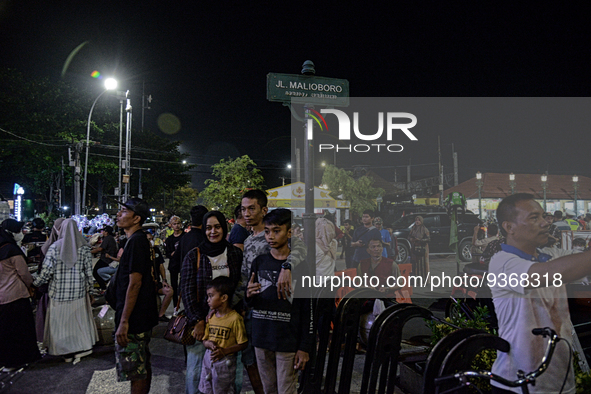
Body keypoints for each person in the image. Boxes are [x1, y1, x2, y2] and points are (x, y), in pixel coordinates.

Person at [488, 193, 591, 393]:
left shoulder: (550, 255)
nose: (545, 223)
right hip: (516, 385)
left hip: (560, 382)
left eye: (544, 216)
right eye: (534, 218)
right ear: (509, 227)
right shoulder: (502, 262)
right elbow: (551, 272)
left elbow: (578, 264)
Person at [239, 190, 307, 394]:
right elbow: (247, 278)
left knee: (285, 382)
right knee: (261, 371)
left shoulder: (288, 241)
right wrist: (245, 299)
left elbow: (301, 251)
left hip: (285, 323)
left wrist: (287, 267)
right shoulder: (250, 240)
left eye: (252, 208)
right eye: (243, 209)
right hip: (258, 316)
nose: (247, 213)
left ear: (263, 209)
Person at [180, 210, 243, 394]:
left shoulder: (234, 254)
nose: (212, 232)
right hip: (201, 326)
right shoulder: (194, 256)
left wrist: (239, 311)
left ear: (224, 228)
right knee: (196, 372)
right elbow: (187, 291)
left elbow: (240, 285)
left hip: (228, 326)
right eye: (208, 228)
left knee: (229, 374)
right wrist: (198, 320)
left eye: (217, 227)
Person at [33, 219, 98, 362]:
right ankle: (82, 348)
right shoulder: (85, 248)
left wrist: (34, 283)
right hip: (79, 293)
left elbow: (46, 272)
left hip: (58, 294)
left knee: (61, 325)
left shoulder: (54, 247)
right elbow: (88, 273)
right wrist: (91, 292)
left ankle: (65, 352)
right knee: (77, 323)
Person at [113, 198, 159, 393]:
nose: (118, 214)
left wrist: (124, 321)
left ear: (136, 218)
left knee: (136, 370)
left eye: (124, 211)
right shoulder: (138, 240)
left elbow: (135, 283)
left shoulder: (136, 242)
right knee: (141, 365)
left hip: (134, 318)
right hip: (140, 315)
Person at [0, 219, 40, 371]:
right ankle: (18, 360)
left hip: (2, 297)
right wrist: (32, 285)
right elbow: (24, 273)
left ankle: (6, 361)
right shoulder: (11, 249)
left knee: (5, 331)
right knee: (20, 331)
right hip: (16, 295)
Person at [199, 276, 248, 394]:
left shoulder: (235, 319)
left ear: (224, 298)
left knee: (223, 390)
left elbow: (243, 343)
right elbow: (204, 340)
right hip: (208, 360)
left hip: (225, 363)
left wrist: (225, 351)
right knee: (206, 388)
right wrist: (208, 343)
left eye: (211, 296)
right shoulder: (211, 317)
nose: (208, 300)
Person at [146, 231, 173, 322]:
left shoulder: (156, 250)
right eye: (148, 239)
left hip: (156, 283)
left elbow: (161, 266)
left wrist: (164, 280)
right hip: (146, 284)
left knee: (169, 291)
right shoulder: (141, 252)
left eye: (151, 239)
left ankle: (161, 314)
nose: (151, 241)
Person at [90, 225, 118, 291]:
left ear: (107, 232)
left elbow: (100, 249)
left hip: (106, 259)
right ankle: (104, 286)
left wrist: (90, 252)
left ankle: (104, 287)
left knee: (95, 272)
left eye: (104, 231)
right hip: (107, 259)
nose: (102, 232)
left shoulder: (107, 238)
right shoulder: (111, 238)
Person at [164, 215, 184, 307]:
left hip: (183, 263)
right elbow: (168, 253)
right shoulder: (169, 239)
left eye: (178, 223)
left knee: (183, 285)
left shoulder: (185, 237)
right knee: (174, 286)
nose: (176, 226)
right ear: (171, 225)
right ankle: (176, 305)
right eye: (174, 224)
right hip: (173, 265)